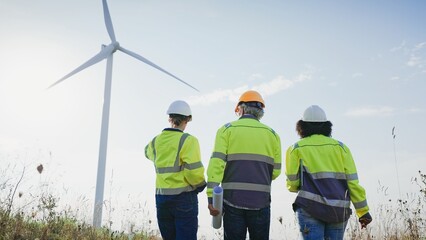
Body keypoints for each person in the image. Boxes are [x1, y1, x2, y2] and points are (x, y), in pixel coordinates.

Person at [285, 105, 372, 240]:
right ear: (327, 126)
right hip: (338, 210)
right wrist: (363, 211)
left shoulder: (295, 149)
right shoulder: (342, 148)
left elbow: (292, 183)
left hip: (309, 208)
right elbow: (353, 183)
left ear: (301, 126)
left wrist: (297, 187)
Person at [207, 90, 282, 240]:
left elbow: (216, 165)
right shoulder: (273, 135)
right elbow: (276, 171)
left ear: (240, 109)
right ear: (260, 112)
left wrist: (211, 198)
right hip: (261, 202)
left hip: (232, 201)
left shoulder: (226, 130)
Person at [144, 100, 206, 240]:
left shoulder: (155, 141)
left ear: (170, 118)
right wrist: (200, 185)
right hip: (183, 199)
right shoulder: (188, 140)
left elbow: (146, 152)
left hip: (162, 199)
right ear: (187, 120)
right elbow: (193, 171)